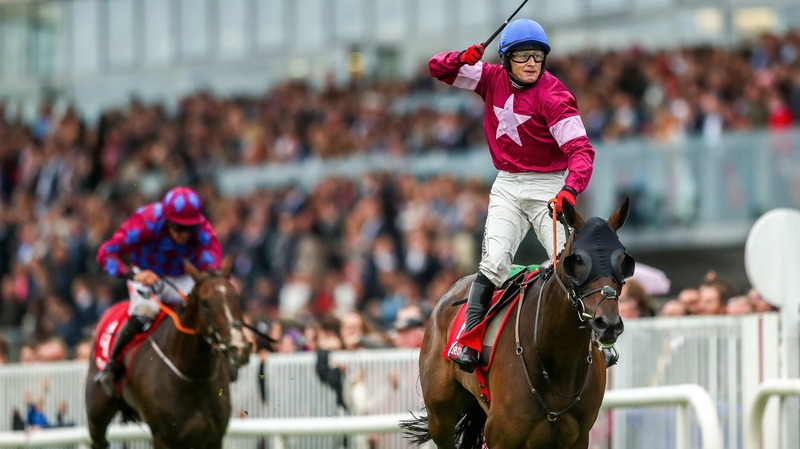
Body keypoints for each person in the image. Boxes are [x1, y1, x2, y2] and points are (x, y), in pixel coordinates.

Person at [429, 18, 597, 372]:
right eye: (522, 56)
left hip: (548, 184)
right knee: (494, 262)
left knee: (570, 263)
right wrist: (462, 57)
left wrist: (570, 188)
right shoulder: (490, 77)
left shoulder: (555, 96)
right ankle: (468, 339)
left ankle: (597, 341)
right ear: (506, 60)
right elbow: (436, 69)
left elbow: (582, 151)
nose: (532, 63)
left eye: (538, 56)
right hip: (507, 183)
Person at [93, 186, 222, 396]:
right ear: (166, 220)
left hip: (182, 277)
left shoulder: (203, 231)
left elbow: (210, 268)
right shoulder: (146, 220)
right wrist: (132, 275)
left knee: (208, 306)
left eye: (189, 229)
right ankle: (111, 366)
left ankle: (224, 358)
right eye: (178, 228)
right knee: (145, 312)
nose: (184, 235)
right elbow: (105, 253)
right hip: (146, 275)